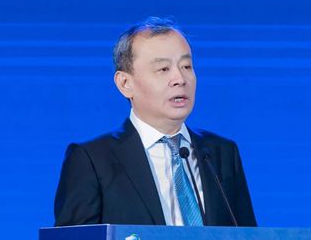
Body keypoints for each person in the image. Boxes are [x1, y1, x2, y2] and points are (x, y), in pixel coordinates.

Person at [54, 17, 256, 227]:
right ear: (125, 83)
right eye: (163, 69)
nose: (180, 79)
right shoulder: (93, 160)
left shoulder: (221, 153)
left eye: (186, 66)